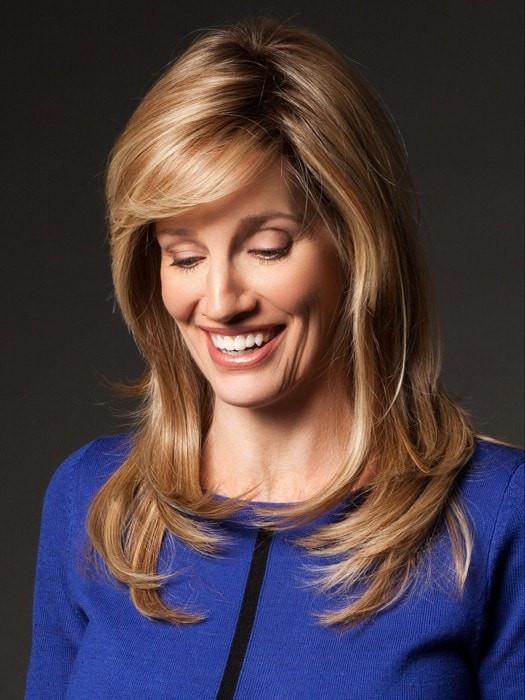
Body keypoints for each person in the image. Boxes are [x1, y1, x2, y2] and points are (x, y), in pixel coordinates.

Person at [25, 16, 524, 700]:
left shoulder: (496, 514)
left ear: (357, 245)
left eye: (267, 248)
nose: (220, 301)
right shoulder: (94, 503)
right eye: (184, 256)